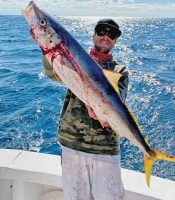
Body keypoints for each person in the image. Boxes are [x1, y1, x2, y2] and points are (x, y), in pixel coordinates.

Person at [42, 18, 129, 200]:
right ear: (93, 34)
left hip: (105, 147)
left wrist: (99, 110)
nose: (106, 37)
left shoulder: (120, 70)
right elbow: (53, 74)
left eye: (112, 34)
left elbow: (117, 103)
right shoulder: (72, 58)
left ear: (115, 41)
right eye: (101, 31)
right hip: (72, 142)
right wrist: (46, 49)